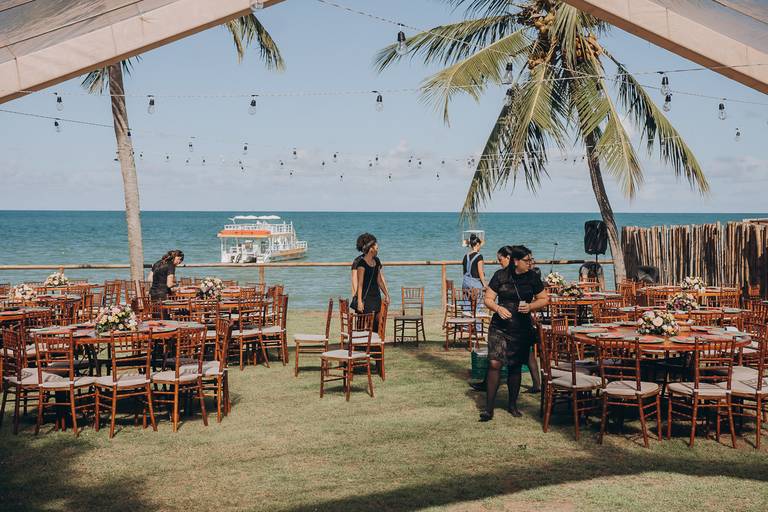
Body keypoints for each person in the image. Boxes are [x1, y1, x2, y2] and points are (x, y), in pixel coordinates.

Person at [480, 245, 548, 421]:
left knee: (515, 366)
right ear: (516, 261)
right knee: (495, 363)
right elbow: (488, 298)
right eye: (527, 260)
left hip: (521, 328)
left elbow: (544, 299)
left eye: (531, 260)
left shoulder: (533, 277)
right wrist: (497, 308)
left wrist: (531, 306)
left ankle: (512, 405)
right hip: (499, 327)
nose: (530, 263)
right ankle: (488, 409)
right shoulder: (500, 276)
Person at [351, 233, 390, 331]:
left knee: (376, 322)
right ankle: (360, 344)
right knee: (361, 322)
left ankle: (374, 344)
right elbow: (356, 282)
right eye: (376, 247)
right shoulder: (359, 262)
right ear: (370, 247)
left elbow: (380, 279)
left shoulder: (376, 261)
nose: (378, 249)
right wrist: (358, 299)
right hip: (364, 297)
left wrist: (387, 294)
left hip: (375, 297)